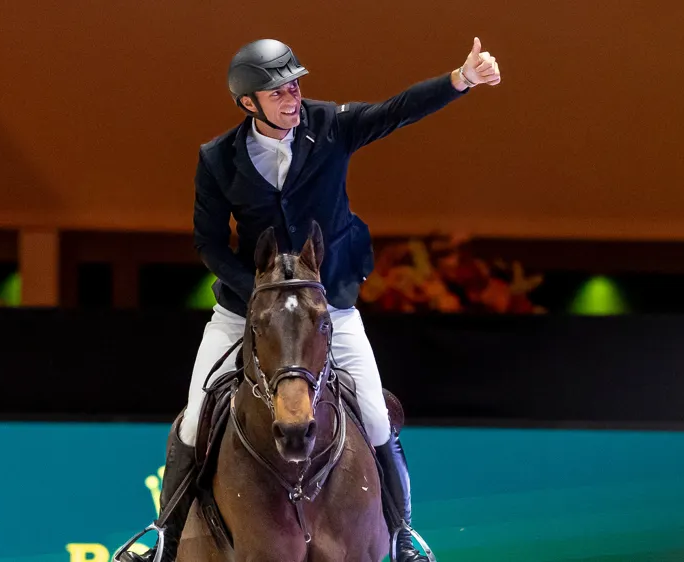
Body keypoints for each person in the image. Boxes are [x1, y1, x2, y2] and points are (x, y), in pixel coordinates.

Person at [140, 37, 501, 562]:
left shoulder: (330, 125)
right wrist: (257, 293)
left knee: (374, 415)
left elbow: (395, 111)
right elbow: (209, 242)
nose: (293, 98)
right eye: (278, 93)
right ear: (248, 103)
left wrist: (460, 79)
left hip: (327, 307)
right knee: (195, 419)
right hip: (247, 311)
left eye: (295, 87)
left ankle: (403, 535)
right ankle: (164, 541)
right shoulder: (217, 159)